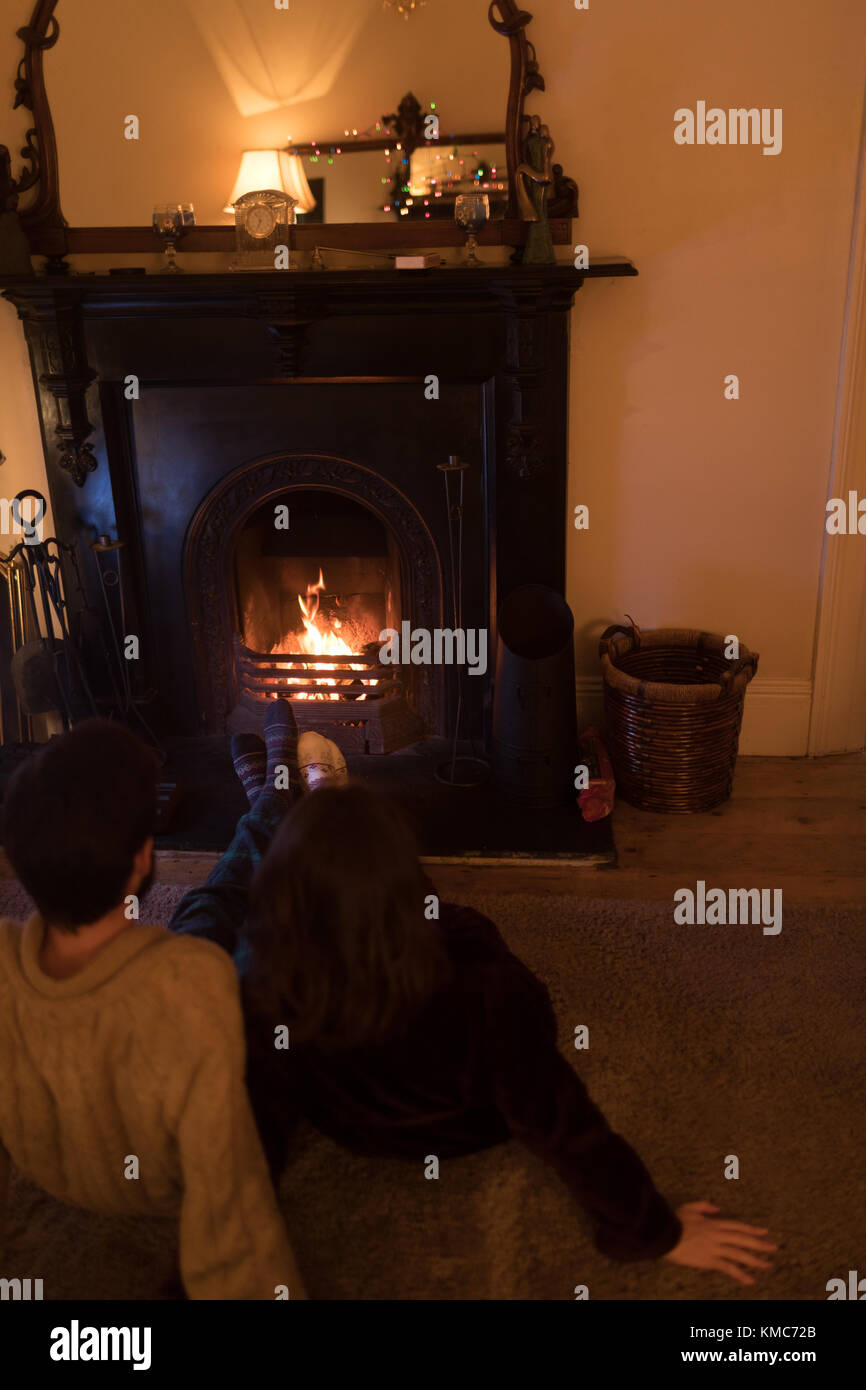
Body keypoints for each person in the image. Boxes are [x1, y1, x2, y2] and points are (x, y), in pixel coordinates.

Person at [171, 701, 777, 1289]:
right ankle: (321, 809)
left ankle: (276, 804)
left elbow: (255, 1141)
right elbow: (563, 1122)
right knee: (457, 924)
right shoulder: (483, 996)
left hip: (351, 1121)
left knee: (252, 912)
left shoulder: (271, 993)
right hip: (466, 1123)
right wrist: (654, 1232)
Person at [0, 719, 305, 1301]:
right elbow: (228, 1195)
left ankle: (268, 797)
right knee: (262, 937)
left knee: (205, 908)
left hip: (58, 1170)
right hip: (161, 1184)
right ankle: (276, 796)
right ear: (143, 859)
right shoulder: (192, 985)